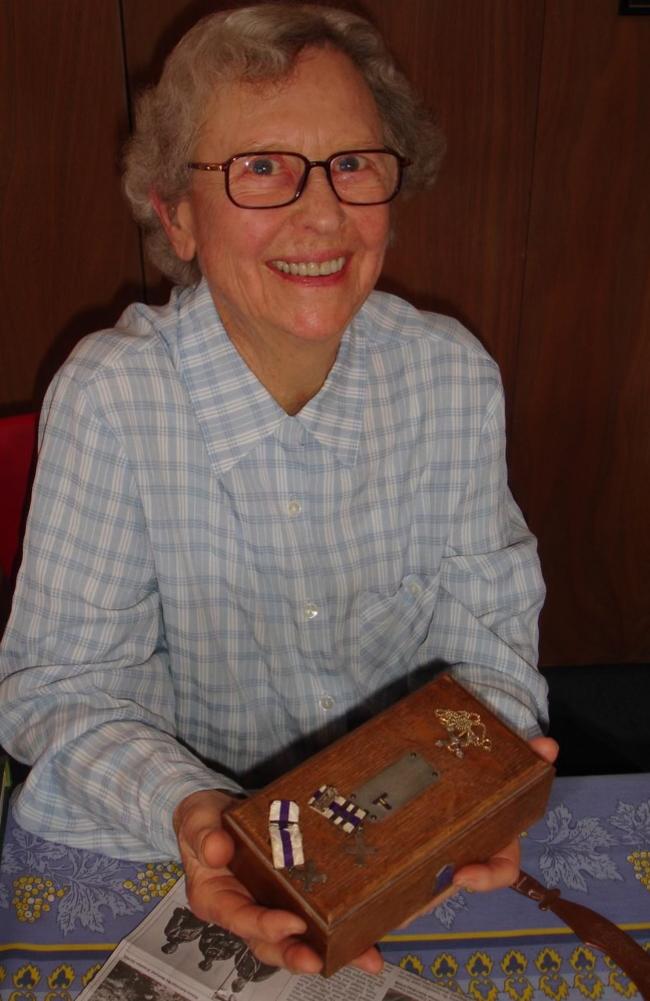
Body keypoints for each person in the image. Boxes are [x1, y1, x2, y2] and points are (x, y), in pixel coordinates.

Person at [0, 1, 557, 977]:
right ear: (176, 211)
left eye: (352, 163)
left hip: (404, 850)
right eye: (259, 167)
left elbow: (489, 621)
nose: (321, 213)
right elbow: (59, 689)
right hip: (177, 848)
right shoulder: (113, 397)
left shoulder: (450, 376)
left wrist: (481, 779)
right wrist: (204, 815)